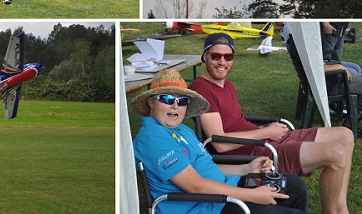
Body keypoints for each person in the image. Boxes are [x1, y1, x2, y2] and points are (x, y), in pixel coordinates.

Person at [190, 32, 354, 214]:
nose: (222, 62)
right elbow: (219, 143)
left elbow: (237, 123)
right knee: (336, 154)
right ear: (205, 56)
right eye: (216, 56)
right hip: (255, 154)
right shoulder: (201, 88)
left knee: (345, 135)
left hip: (263, 140)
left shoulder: (226, 84)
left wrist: (264, 130)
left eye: (228, 56)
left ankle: (341, 208)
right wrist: (265, 132)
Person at [132, 69, 308, 214]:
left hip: (221, 192)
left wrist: (246, 168)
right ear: (151, 101)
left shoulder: (182, 130)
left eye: (182, 100)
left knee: (294, 185)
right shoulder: (153, 138)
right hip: (203, 206)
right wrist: (252, 195)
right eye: (167, 98)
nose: (175, 105)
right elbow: (195, 186)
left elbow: (206, 167)